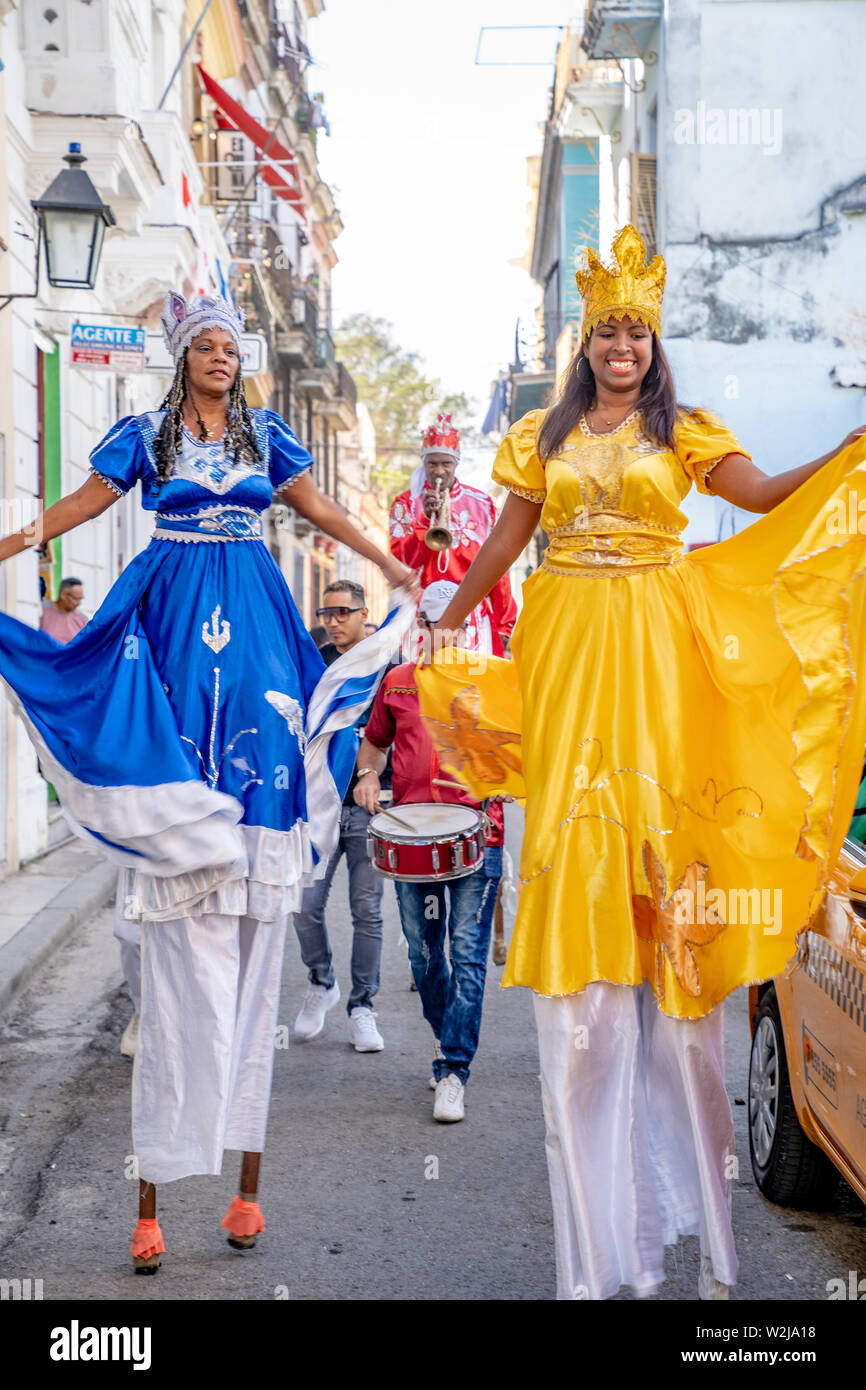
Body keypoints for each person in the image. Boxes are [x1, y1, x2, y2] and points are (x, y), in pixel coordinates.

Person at [415, 225, 866, 1297]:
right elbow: (500, 542)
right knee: (576, 825)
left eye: (636, 332)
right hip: (567, 637)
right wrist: (449, 614)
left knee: (663, 833)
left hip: (661, 645)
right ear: (587, 342)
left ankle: (665, 920)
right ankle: (588, 933)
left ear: (653, 346)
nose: (621, 345)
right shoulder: (542, 435)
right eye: (607, 330)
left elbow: (759, 499)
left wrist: (848, 447)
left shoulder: (688, 431)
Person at [0, 290, 417, 1273]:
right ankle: (149, 1200)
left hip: (255, 616)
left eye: (232, 347)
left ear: (241, 361)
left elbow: (315, 507)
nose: (220, 358)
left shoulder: (268, 434)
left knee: (267, 819)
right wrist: (15, 541)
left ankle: (244, 1191)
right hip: (170, 609)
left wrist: (388, 560)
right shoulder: (143, 436)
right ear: (184, 358)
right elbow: (88, 504)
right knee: (163, 779)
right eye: (206, 346)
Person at [355, 582, 504, 1122]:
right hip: (412, 836)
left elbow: (524, 744)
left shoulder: (491, 682)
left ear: (465, 626)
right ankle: (448, 1042)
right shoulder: (397, 683)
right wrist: (368, 775)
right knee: (423, 955)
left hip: (476, 832)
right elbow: (374, 743)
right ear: (422, 626)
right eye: (434, 623)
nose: (444, 633)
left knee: (466, 954)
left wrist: (511, 777)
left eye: (453, 624)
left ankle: (454, 1068)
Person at [292, 579, 392, 1051]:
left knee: (366, 912)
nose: (332, 622)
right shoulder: (312, 662)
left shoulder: (382, 664)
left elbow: (395, 728)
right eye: (326, 613)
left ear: (362, 614)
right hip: (319, 805)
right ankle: (321, 982)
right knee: (305, 903)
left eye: (342, 613)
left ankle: (362, 1007)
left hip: (371, 808)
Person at [389, 414, 517, 656]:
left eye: (446, 464)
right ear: (423, 464)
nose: (439, 471)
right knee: (421, 685)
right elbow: (404, 561)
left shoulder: (483, 504)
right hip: (420, 615)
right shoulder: (405, 504)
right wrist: (425, 520)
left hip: (471, 614)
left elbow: (498, 566)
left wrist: (505, 622)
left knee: (469, 685)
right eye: (432, 464)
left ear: (456, 463)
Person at [39, 576, 88, 643]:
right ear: (63, 595)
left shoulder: (82, 620)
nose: (79, 603)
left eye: (80, 598)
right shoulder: (41, 610)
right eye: (76, 598)